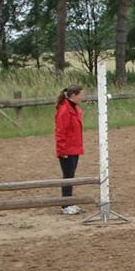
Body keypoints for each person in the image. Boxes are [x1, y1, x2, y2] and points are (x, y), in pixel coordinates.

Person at [55, 84, 84, 215]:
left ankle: (69, 202)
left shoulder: (74, 108)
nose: (83, 97)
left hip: (74, 148)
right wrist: (62, 151)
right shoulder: (64, 110)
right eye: (81, 94)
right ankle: (65, 205)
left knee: (71, 176)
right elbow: (60, 132)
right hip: (67, 149)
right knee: (67, 176)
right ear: (73, 95)